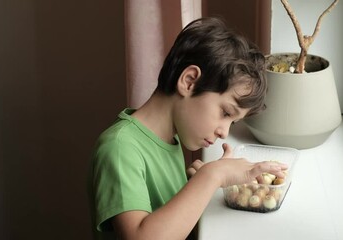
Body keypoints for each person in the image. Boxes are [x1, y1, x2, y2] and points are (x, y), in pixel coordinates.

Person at [88, 17, 288, 240]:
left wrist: (196, 185)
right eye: (225, 113)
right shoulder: (120, 147)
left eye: (232, 122)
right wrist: (211, 176)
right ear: (190, 81)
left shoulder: (168, 139)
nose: (224, 131)